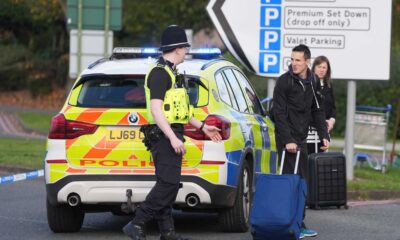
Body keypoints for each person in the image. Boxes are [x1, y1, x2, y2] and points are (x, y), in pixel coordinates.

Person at [122, 25, 221, 240]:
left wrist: (203, 126)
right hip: (163, 135)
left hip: (170, 132)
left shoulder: (171, 72)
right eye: (185, 47)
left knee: (167, 183)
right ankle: (138, 221)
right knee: (169, 184)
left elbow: (181, 112)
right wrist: (172, 137)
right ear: (177, 49)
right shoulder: (159, 73)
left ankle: (168, 233)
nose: (186, 51)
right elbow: (157, 110)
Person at [273, 44, 330, 239]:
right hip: (285, 138)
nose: (294, 63)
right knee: (289, 181)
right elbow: (278, 114)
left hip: (301, 138)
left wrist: (324, 134)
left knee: (302, 182)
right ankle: (285, 224)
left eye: (298, 60)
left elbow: (317, 110)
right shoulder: (284, 82)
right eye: (292, 59)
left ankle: (298, 222)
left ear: (307, 62)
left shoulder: (313, 81)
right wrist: (287, 140)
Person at [307, 56, 336, 153]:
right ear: (314, 67)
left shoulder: (329, 86)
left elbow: (333, 108)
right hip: (309, 131)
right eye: (319, 67)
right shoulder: (307, 85)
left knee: (320, 162)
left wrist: (331, 121)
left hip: (325, 131)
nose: (321, 70)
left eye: (324, 68)